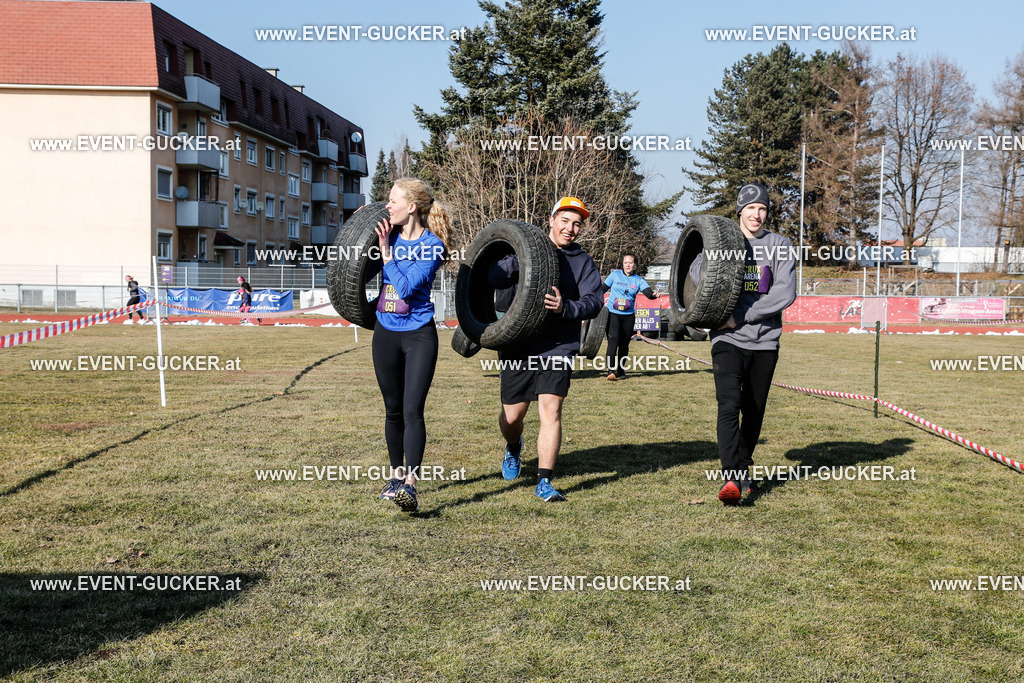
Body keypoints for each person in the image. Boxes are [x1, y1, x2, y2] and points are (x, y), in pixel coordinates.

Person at [688, 183, 796, 505]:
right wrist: (712, 299)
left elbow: (784, 292)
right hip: (727, 338)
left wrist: (744, 315)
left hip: (764, 341)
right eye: (750, 208)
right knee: (728, 404)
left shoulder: (779, 245)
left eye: (762, 208)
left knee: (754, 410)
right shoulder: (724, 244)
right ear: (739, 212)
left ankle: (744, 467)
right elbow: (694, 268)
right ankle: (731, 476)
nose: (757, 214)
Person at [490, 197, 602, 502]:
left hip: (558, 346)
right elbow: (492, 277)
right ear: (551, 220)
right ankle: (514, 446)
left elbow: (594, 302)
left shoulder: (583, 262)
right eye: (565, 220)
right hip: (519, 344)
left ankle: (544, 481)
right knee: (511, 419)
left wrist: (566, 307)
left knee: (551, 411)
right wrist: (511, 258)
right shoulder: (525, 252)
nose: (571, 228)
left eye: (577, 223)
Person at [372, 178, 450, 513]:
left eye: (393, 201)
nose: (387, 206)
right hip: (385, 332)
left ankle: (411, 486)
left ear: (412, 207)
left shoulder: (432, 246)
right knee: (392, 410)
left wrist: (387, 255)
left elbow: (404, 289)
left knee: (412, 410)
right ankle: (395, 477)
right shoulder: (384, 234)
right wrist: (360, 226)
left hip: (418, 334)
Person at [602, 253, 661, 380]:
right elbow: (602, 289)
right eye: (626, 263)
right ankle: (610, 371)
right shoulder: (614, 275)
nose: (628, 265)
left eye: (630, 263)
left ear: (635, 265)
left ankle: (621, 370)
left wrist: (654, 294)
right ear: (622, 264)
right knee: (613, 341)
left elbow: (648, 293)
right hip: (613, 314)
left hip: (628, 316)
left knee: (624, 344)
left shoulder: (638, 280)